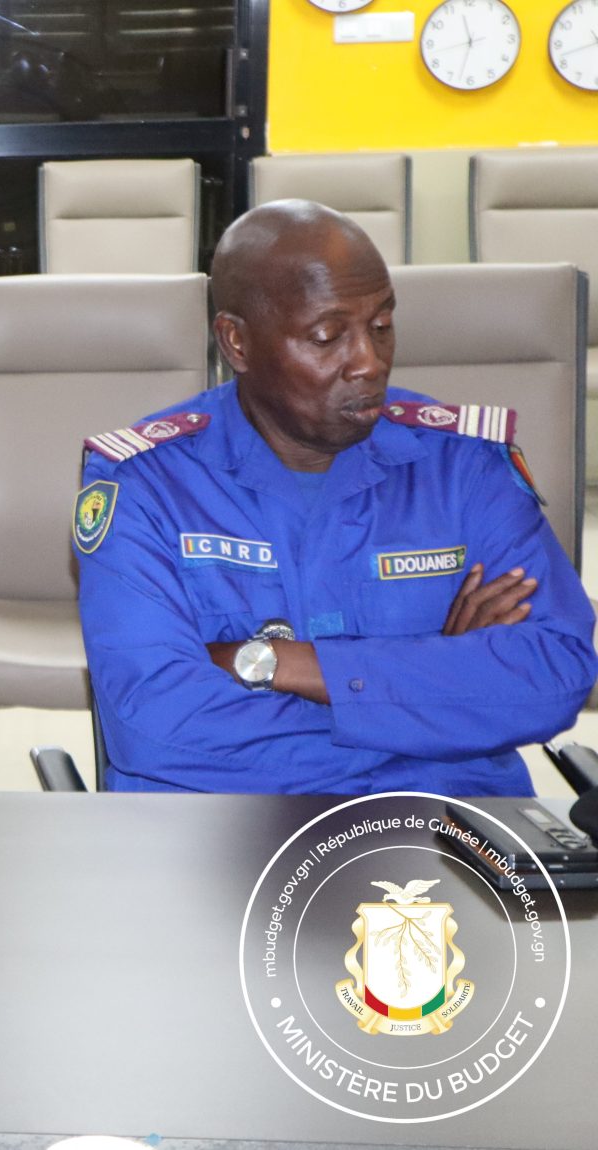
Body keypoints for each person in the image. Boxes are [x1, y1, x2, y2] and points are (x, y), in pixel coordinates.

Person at [75, 201, 597, 795]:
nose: (369, 363)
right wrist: (433, 697)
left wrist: (279, 663)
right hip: (224, 826)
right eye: (327, 337)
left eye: (382, 326)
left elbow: (555, 674)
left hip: (442, 824)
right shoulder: (147, 483)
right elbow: (158, 727)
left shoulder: (464, 466)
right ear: (237, 343)